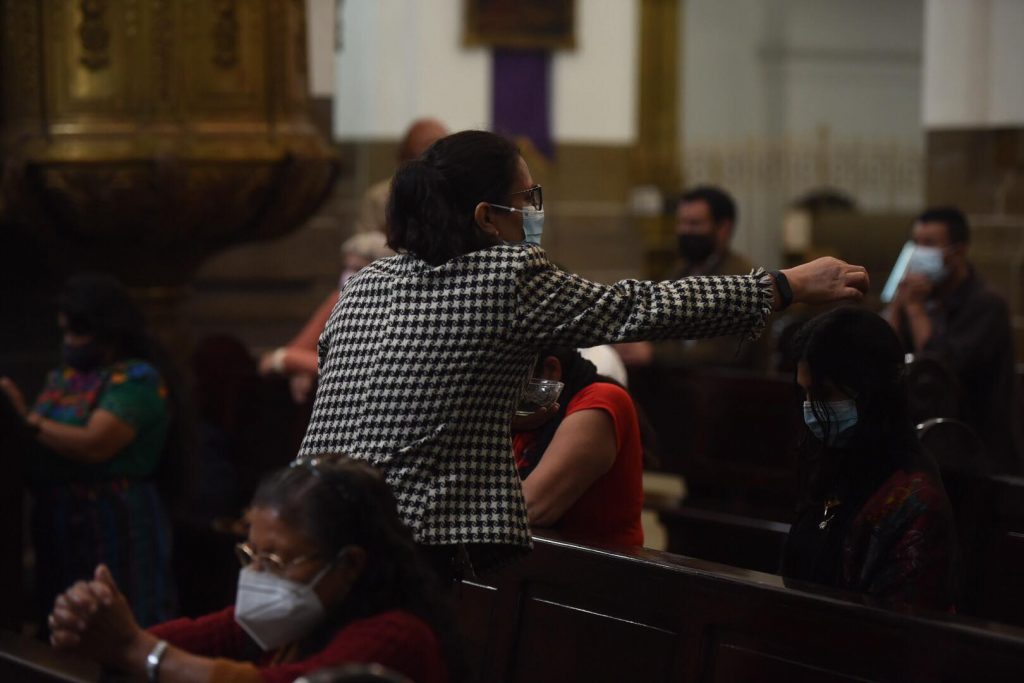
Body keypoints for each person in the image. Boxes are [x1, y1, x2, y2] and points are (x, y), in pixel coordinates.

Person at [299, 129, 869, 575]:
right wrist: (784, 286)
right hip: (415, 541)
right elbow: (637, 307)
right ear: (487, 218)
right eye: (528, 198)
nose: (535, 210)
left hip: (312, 518)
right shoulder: (506, 273)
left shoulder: (370, 281)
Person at [47, 457, 453, 683]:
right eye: (250, 554)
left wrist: (134, 649)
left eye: (276, 560)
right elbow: (183, 640)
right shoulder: (284, 623)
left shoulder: (397, 636)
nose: (257, 574)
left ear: (349, 564)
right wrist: (93, 626)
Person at [0, 273, 177, 627]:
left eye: (76, 332)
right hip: (58, 522)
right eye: (64, 332)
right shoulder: (63, 379)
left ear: (107, 331)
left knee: (121, 615)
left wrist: (24, 419)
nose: (69, 342)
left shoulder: (137, 379)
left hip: (116, 522)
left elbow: (95, 444)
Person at [781, 307, 957, 611]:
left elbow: (901, 629)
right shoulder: (834, 461)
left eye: (823, 394)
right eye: (805, 394)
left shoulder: (914, 498)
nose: (811, 410)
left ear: (870, 391)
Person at [883, 207, 1022, 475]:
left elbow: (939, 371)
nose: (919, 253)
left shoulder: (987, 304)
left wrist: (915, 309)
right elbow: (882, 347)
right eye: (916, 243)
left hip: (977, 449)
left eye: (930, 244)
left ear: (958, 252)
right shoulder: (923, 297)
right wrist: (897, 306)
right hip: (926, 441)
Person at [615, 185, 762, 369]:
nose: (684, 231)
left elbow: (722, 352)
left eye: (694, 224)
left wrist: (653, 354)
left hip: (724, 387)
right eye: (681, 223)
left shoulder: (742, 278)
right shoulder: (679, 271)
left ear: (723, 228)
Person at [512, 347, 644, 547]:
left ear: (551, 370)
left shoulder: (602, 399)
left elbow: (529, 509)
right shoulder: (531, 415)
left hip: (592, 570)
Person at [260, 232, 393, 404]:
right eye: (347, 268)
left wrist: (286, 360)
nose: (349, 275)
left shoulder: (392, 309)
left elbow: (354, 368)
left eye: (358, 269)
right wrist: (303, 369)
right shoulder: (338, 299)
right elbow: (296, 348)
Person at [354, 118, 449, 235]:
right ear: (404, 157)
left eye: (439, 147)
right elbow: (362, 246)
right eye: (424, 149)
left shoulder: (458, 195)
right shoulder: (378, 197)